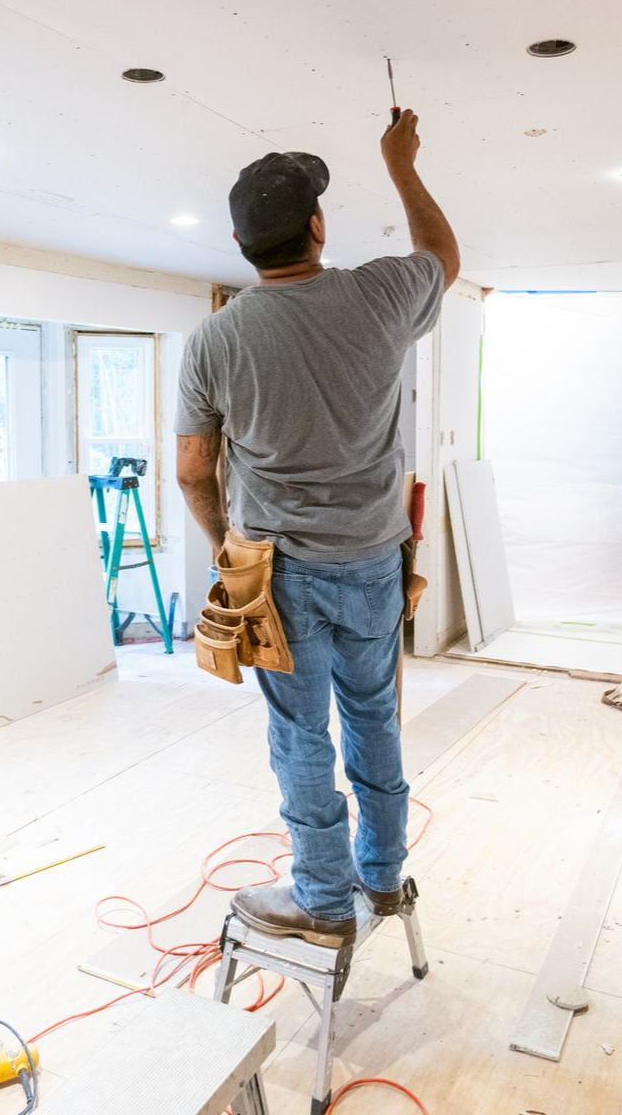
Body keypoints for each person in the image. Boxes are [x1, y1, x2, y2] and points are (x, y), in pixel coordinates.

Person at [174, 110, 459, 948]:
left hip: (278, 574)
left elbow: (194, 468)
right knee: (373, 717)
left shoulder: (215, 340)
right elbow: (443, 259)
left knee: (300, 734)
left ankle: (323, 902)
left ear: (236, 239)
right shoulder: (379, 294)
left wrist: (226, 545)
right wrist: (401, 165)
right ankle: (378, 877)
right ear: (316, 226)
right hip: (375, 563)